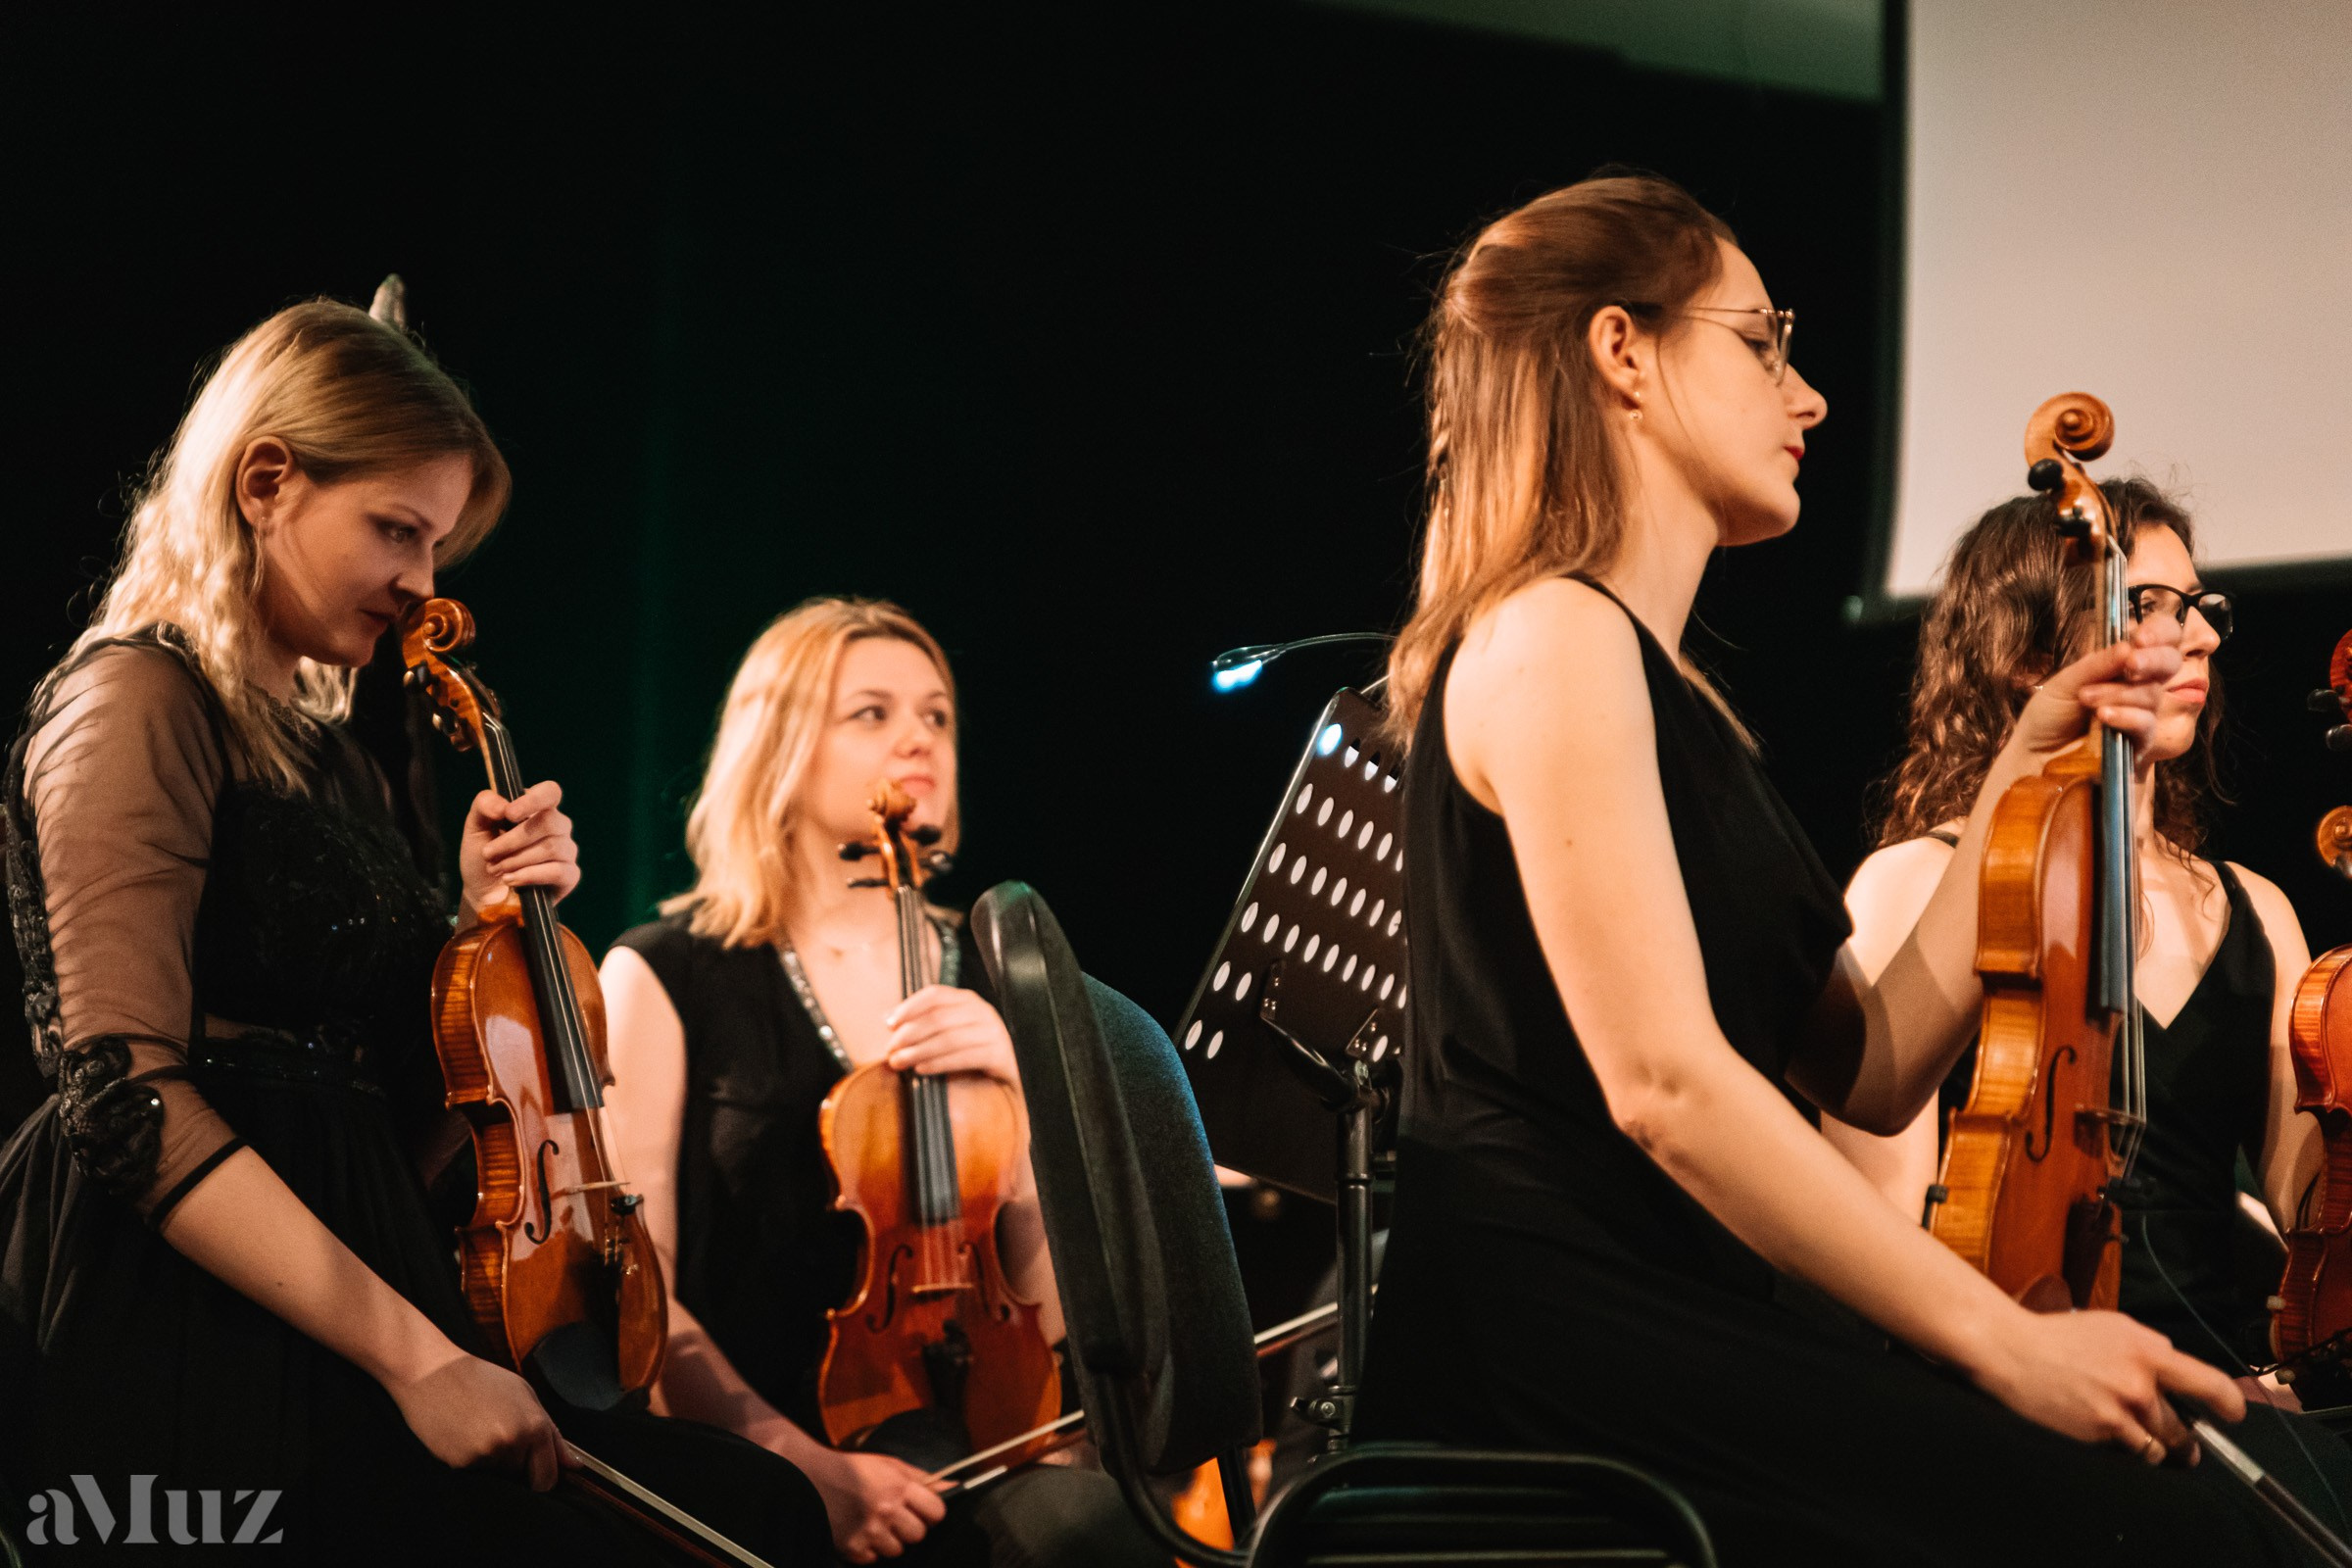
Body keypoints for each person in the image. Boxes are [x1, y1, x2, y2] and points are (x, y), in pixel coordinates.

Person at [1349, 171, 2311, 1563]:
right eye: (1763, 343)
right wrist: (2002, 1342)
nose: (1804, 399)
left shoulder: (1674, 698)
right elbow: (1667, 1090)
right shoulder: (1553, 638)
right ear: (1624, 351)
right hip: (1567, 1356)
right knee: (2174, 1529)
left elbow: (1866, 1063)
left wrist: (2016, 778)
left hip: (1672, 1330)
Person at [0, 298, 824, 1563]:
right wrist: (418, 1360)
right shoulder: (135, 700)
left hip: (370, 1292)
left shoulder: (341, 762)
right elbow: (122, 1098)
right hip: (196, 1327)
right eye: (398, 529)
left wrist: (480, 949)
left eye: (436, 543)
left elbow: (385, 1130)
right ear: (266, 480)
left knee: (762, 1517)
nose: (425, 584)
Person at [599, 598, 1164, 1567]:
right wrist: (796, 1462)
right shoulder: (667, 970)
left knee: (1093, 1529)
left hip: (987, 1441)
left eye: (937, 715)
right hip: (759, 1457)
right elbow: (633, 1289)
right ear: (779, 745)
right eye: (872, 712)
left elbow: (1052, 1317)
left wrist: (1022, 1108)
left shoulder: (1007, 972)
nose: (918, 738)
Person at [1824, 482, 2352, 1514]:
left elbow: (2311, 1247)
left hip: (2230, 1401)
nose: (2196, 638)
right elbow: (1869, 1245)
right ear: (2030, 658)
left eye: (2201, 608)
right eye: (2150, 605)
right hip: (2013, 1399)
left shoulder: (2261, 911)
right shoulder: (1914, 886)